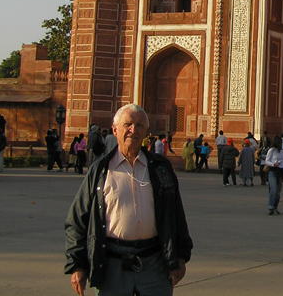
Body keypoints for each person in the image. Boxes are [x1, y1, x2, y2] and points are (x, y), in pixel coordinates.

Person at [65, 103, 193, 296]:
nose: (133, 130)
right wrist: (77, 265)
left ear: (146, 132)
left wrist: (180, 256)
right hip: (112, 262)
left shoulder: (160, 168)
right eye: (128, 124)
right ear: (115, 130)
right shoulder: (100, 170)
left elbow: (175, 214)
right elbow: (77, 220)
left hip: (155, 263)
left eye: (139, 126)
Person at [264, 135, 283, 215]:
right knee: (273, 189)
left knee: (278, 191)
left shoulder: (281, 150)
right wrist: (273, 164)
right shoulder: (271, 150)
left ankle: (275, 207)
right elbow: (267, 161)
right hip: (273, 171)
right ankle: (271, 206)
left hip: (280, 171)